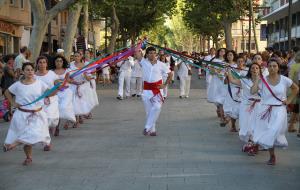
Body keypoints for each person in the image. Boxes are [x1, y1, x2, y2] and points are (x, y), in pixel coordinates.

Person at [251, 58, 299, 165]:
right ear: (267, 68)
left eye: (275, 66)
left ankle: (270, 148)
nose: (272, 68)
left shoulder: (284, 79)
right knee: (268, 131)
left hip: (279, 110)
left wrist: (289, 100)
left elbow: (296, 88)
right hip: (265, 110)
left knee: (273, 130)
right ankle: (272, 156)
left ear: (278, 68)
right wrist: (257, 79)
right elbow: (252, 91)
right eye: (270, 66)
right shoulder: (263, 80)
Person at [3, 62, 51, 166]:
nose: (30, 72)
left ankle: (12, 145)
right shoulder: (18, 85)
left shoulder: (39, 83)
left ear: (34, 71)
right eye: (27, 70)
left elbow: (50, 92)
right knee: (26, 137)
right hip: (22, 115)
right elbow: (6, 92)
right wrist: (13, 103)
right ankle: (28, 157)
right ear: (23, 72)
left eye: (31, 70)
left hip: (37, 114)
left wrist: (60, 86)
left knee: (34, 134)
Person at [227, 62, 262, 155]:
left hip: (259, 106)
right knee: (246, 125)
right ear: (250, 70)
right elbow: (232, 80)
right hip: (246, 106)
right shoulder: (244, 80)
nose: (254, 69)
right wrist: (229, 70)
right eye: (253, 68)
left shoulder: (263, 81)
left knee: (256, 125)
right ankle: (250, 143)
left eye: (257, 68)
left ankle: (253, 144)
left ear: (259, 70)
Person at [139, 47, 172, 136]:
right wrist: (140, 44)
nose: (152, 55)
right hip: (146, 90)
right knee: (149, 111)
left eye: (154, 53)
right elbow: (136, 53)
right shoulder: (143, 62)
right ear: (147, 54)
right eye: (150, 53)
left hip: (157, 90)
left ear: (156, 54)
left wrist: (164, 85)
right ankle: (152, 130)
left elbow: (170, 74)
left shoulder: (161, 64)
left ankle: (147, 127)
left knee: (157, 107)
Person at [35, 56, 60, 151]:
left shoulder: (52, 74)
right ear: (37, 64)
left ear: (46, 64)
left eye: (44, 62)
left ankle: (51, 129)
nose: (42, 64)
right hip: (39, 101)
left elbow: (57, 84)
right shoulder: (34, 75)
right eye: (40, 62)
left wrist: (59, 85)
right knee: (43, 122)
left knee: (53, 120)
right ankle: (47, 143)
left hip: (52, 100)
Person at [52, 55, 76, 131]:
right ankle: (57, 127)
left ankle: (68, 120)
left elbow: (71, 80)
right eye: (57, 61)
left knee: (64, 107)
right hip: (55, 92)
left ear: (63, 62)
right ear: (54, 62)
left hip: (66, 92)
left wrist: (70, 81)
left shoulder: (67, 71)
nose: (59, 63)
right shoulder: (51, 72)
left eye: (60, 61)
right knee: (56, 109)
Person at [288, 51, 300, 133]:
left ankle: (291, 126)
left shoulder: (294, 66)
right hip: (298, 89)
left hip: (294, 88)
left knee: (296, 109)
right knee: (296, 109)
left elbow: (290, 78)